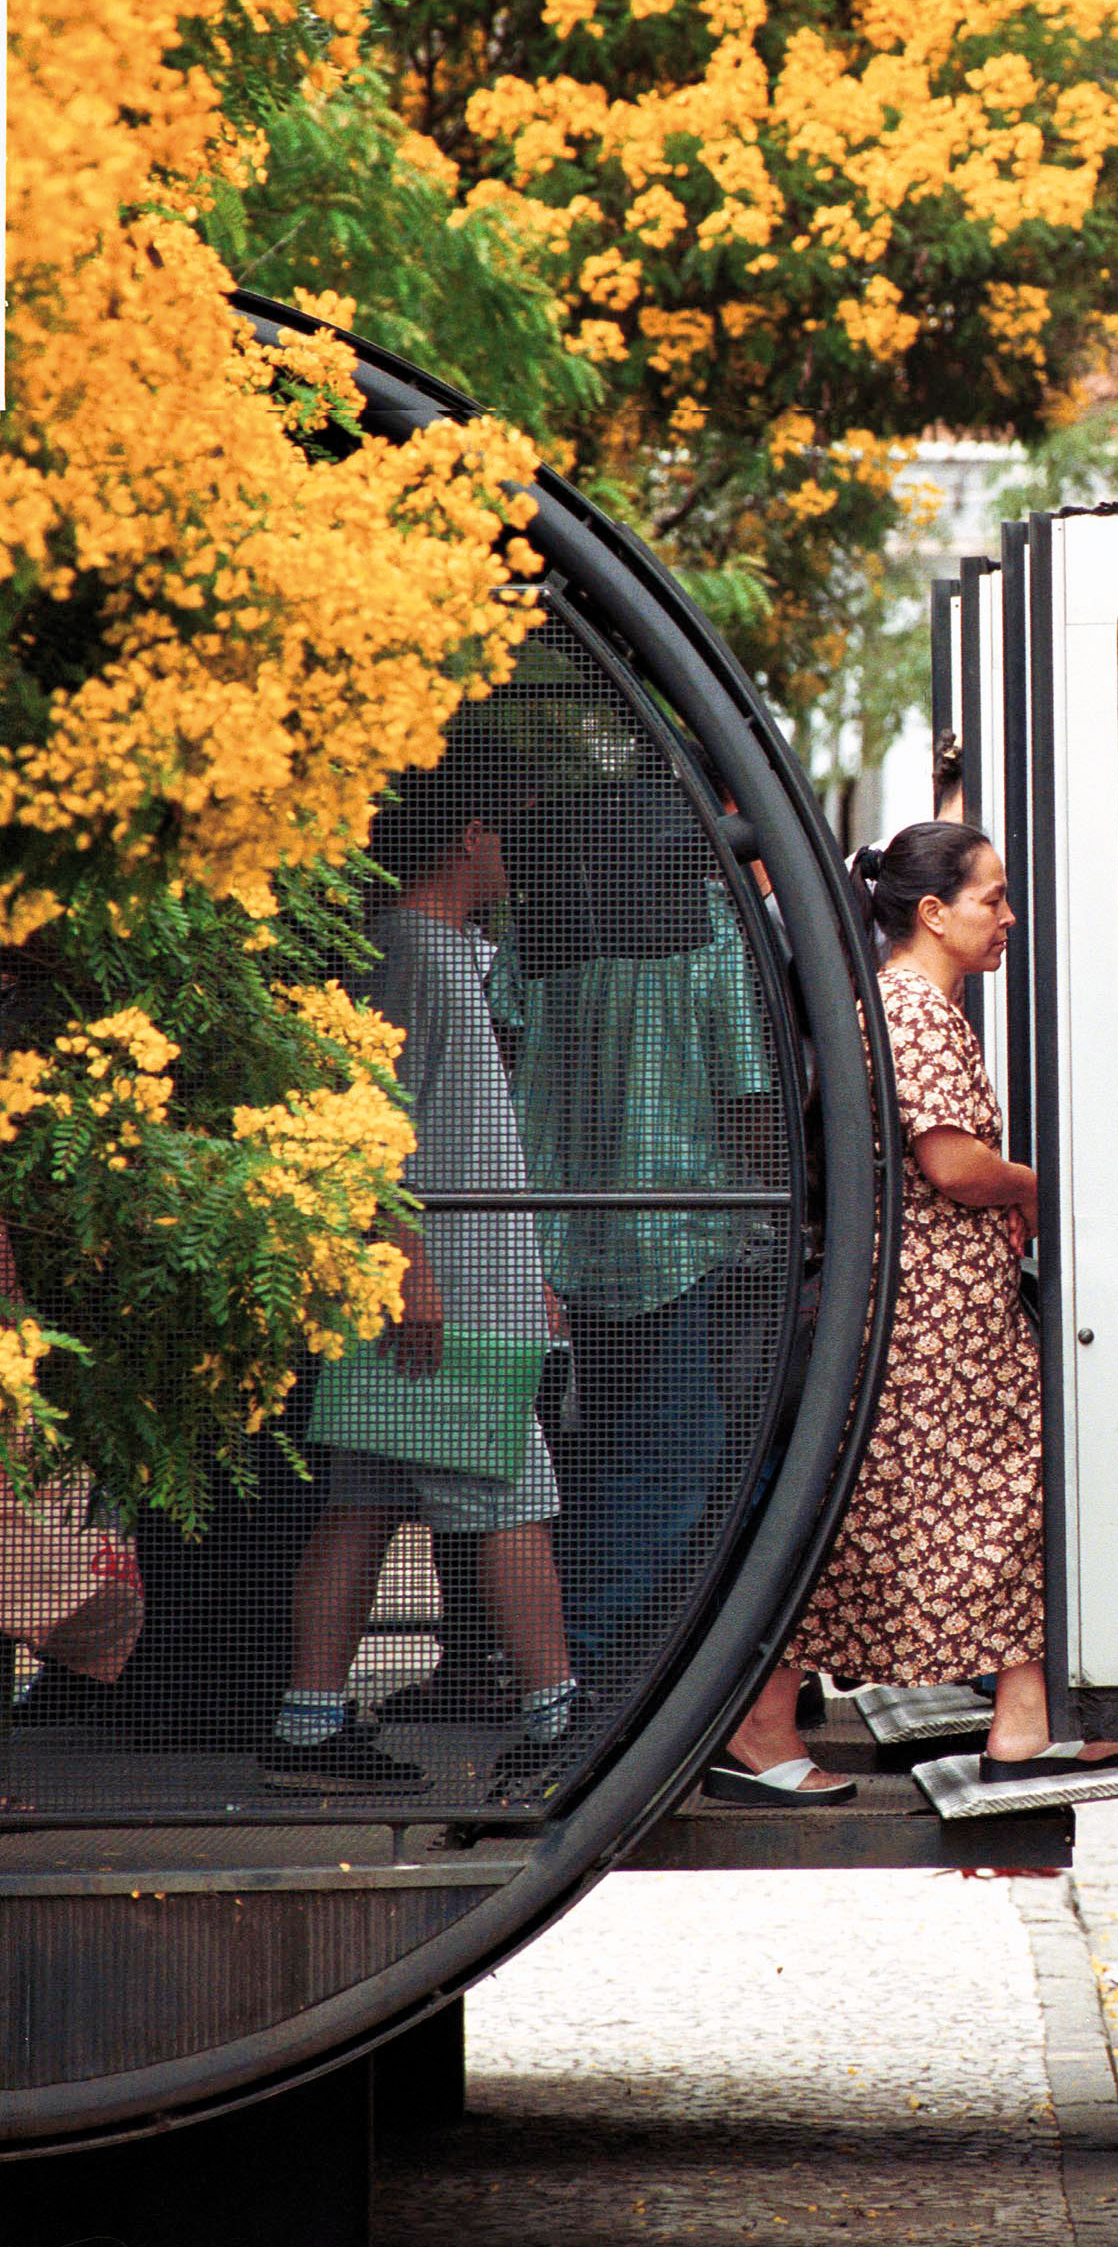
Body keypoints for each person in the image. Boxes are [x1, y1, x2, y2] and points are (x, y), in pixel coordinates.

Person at [709, 820, 1118, 1802]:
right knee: (966, 1503)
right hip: (937, 1319)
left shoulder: (897, 1001)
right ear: (934, 913)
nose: (1008, 917)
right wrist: (1040, 1187)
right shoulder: (915, 1009)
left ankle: (1021, 1719)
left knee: (979, 1503)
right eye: (992, 898)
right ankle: (763, 1721)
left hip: (935, 1309)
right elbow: (951, 1164)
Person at [265, 742, 577, 1790]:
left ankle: (308, 1727)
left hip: (444, 1284)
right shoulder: (417, 954)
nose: (518, 851)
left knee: (360, 1498)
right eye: (508, 827)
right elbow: (375, 1125)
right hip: (443, 1295)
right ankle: (557, 1720)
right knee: (511, 1493)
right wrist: (412, 1270)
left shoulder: (421, 949)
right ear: (469, 836)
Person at [494, 763, 779, 1688]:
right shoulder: (712, 927)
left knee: (583, 1459)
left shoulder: (540, 923)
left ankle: (548, 1653)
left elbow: (504, 1055)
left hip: (559, 1242)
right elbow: (748, 1094)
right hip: (682, 1239)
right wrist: (794, 1188)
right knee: (673, 1464)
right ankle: (607, 1663)